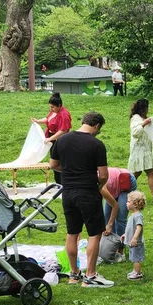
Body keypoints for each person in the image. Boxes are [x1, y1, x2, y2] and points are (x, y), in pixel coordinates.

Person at [49, 112, 114, 288]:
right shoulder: (96, 144)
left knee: (72, 232)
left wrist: (70, 172)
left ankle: (74, 274)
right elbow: (104, 174)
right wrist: (98, 184)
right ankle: (91, 276)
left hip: (68, 192)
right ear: (97, 126)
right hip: (88, 192)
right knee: (94, 233)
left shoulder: (62, 140)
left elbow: (53, 165)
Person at [128, 98, 153, 204]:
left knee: (149, 173)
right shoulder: (136, 118)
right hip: (139, 151)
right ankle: (127, 196)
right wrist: (144, 123)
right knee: (135, 175)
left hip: (146, 151)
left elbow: (148, 132)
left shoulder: (142, 118)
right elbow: (135, 132)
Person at [32, 92, 71, 183]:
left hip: (60, 141)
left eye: (53, 107)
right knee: (54, 160)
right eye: (50, 107)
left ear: (59, 105)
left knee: (60, 162)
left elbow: (63, 130)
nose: (51, 109)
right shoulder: (53, 112)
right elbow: (47, 119)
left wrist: (50, 138)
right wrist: (37, 121)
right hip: (53, 140)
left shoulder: (64, 115)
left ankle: (63, 181)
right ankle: (57, 181)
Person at [100, 167, 138, 261]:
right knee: (107, 216)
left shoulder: (100, 186)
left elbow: (115, 206)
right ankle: (110, 248)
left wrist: (110, 224)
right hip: (114, 185)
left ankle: (120, 250)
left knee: (120, 218)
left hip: (125, 181)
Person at [122, 190, 146, 280]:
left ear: (135, 204)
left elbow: (139, 227)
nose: (126, 203)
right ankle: (135, 270)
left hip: (136, 242)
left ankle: (138, 273)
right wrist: (126, 234)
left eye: (128, 202)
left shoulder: (138, 216)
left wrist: (135, 238)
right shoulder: (133, 215)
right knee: (133, 256)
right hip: (132, 241)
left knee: (136, 258)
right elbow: (130, 228)